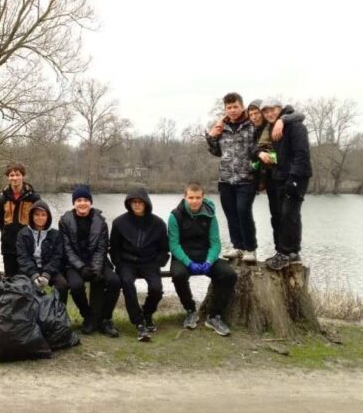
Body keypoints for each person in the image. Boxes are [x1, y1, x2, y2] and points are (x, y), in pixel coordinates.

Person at [167, 183, 237, 336]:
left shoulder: (210, 215)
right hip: (182, 256)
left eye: (198, 197)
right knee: (178, 275)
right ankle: (191, 310)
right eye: (191, 197)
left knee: (229, 274)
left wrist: (209, 261)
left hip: (205, 256)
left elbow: (216, 243)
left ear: (203, 198)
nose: (194, 201)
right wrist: (188, 262)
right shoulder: (175, 216)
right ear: (185, 197)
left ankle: (214, 316)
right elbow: (173, 245)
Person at [58, 185, 122, 336]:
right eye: (79, 200)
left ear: (90, 202)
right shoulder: (65, 221)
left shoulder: (101, 222)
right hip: (73, 264)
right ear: (74, 203)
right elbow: (67, 249)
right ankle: (88, 316)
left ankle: (105, 319)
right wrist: (81, 268)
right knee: (76, 285)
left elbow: (102, 248)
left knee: (114, 281)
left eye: (86, 200)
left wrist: (96, 269)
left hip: (97, 261)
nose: (82, 203)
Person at [109, 187, 169, 341]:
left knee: (157, 289)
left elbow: (164, 248)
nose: (136, 205)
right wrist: (118, 262)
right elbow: (114, 247)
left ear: (146, 204)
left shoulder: (158, 223)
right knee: (127, 283)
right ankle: (139, 323)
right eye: (133, 202)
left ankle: (147, 313)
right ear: (129, 204)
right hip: (127, 262)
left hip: (149, 262)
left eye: (139, 202)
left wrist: (159, 262)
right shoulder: (119, 223)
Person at [206, 92, 259, 263]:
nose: (232, 110)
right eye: (229, 107)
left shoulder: (251, 124)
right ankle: (237, 247)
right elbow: (215, 151)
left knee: (243, 211)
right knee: (231, 214)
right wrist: (212, 135)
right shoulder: (223, 127)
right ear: (225, 109)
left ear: (242, 106)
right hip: (225, 179)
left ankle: (250, 248)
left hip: (246, 178)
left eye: (235, 106)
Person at [260, 99, 312, 270]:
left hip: (297, 176)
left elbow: (301, 154)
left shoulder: (296, 127)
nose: (269, 114)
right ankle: (292, 252)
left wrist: (294, 178)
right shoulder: (275, 126)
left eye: (272, 110)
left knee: (289, 215)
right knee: (288, 216)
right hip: (281, 177)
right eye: (266, 111)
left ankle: (285, 253)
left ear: (280, 109)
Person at [0, 162, 40, 276]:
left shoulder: (33, 197)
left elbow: (39, 221)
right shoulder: (3, 197)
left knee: (26, 279)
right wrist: (6, 232)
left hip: (27, 246)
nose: (14, 178)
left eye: (17, 174)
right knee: (10, 279)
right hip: (8, 246)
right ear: (8, 177)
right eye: (11, 175)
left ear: (23, 176)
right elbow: (0, 220)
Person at [15, 199, 65, 295]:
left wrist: (47, 274)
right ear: (32, 216)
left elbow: (57, 257)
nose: (40, 218)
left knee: (62, 285)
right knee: (21, 286)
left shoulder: (56, 234)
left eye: (43, 215)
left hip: (49, 269)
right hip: (29, 270)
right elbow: (23, 257)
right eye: (37, 214)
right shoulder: (23, 234)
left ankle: (58, 309)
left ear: (48, 217)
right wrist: (34, 274)